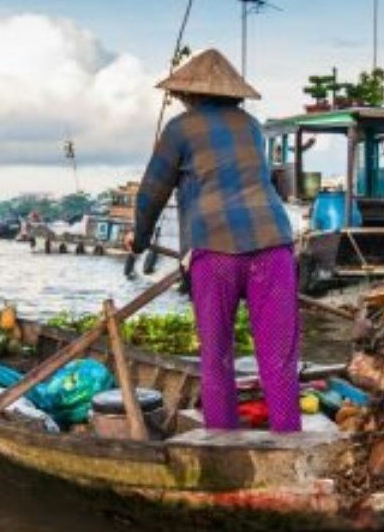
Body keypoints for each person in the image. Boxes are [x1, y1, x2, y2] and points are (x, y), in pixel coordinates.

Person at [124, 48, 301, 433]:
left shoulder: (179, 129)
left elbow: (152, 191)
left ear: (189, 94)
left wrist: (137, 242)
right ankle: (289, 439)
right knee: (278, 357)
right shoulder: (252, 126)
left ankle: (223, 440)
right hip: (273, 245)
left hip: (215, 250)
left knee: (216, 357)